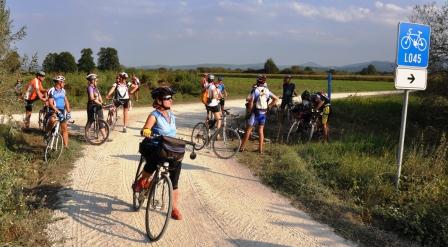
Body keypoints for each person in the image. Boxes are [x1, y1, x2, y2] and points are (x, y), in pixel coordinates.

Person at [133, 86, 184, 220]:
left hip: (169, 147)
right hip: (154, 145)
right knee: (156, 156)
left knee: (176, 170)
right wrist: (147, 131)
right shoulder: (154, 115)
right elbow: (146, 128)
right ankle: (142, 180)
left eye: (171, 98)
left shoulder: (171, 115)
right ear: (159, 100)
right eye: (168, 98)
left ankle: (174, 209)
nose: (171, 100)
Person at [240, 74, 278, 154]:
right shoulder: (267, 90)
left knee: (248, 130)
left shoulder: (255, 90)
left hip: (255, 113)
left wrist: (250, 111)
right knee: (261, 130)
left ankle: (242, 147)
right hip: (263, 113)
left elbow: (250, 102)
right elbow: (276, 98)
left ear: (257, 81)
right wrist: (268, 107)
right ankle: (260, 149)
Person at [47, 76, 72, 148]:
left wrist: (69, 112)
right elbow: (51, 103)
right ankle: (47, 132)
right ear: (59, 82)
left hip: (61, 110)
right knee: (52, 120)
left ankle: (66, 146)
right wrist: (57, 111)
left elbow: (66, 102)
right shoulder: (52, 90)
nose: (64, 83)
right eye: (63, 82)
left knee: (64, 128)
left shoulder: (63, 91)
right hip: (53, 109)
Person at [86, 73, 109, 140]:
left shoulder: (96, 88)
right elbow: (92, 98)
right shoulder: (90, 88)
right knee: (90, 121)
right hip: (91, 105)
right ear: (92, 80)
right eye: (96, 80)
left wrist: (102, 102)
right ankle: (86, 136)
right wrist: (100, 103)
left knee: (101, 120)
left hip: (98, 105)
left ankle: (105, 137)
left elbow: (99, 96)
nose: (97, 82)